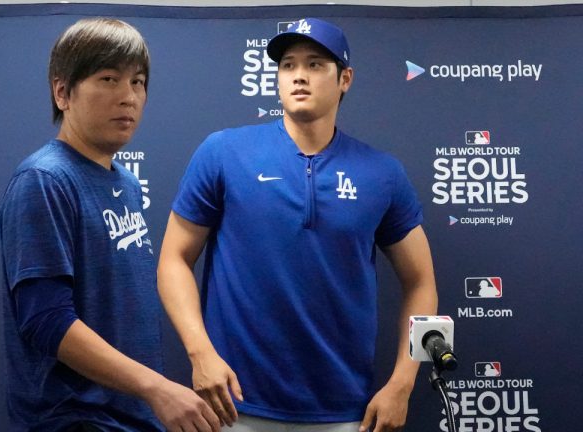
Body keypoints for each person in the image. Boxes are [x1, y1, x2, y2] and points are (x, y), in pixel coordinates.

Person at [157, 18, 438, 432]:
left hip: (344, 412)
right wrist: (200, 354)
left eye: (315, 64)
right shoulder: (223, 152)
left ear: (345, 79)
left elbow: (422, 283)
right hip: (232, 406)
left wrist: (402, 383)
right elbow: (172, 260)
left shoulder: (382, 173)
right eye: (287, 65)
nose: (299, 76)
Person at [0, 18, 220, 432]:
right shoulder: (44, 180)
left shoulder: (127, 183)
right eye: (108, 79)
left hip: (131, 416)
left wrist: (150, 394)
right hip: (74, 419)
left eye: (137, 82)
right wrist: (157, 387)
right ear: (62, 92)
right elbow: (45, 320)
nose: (128, 97)